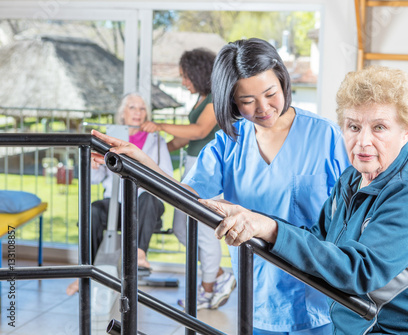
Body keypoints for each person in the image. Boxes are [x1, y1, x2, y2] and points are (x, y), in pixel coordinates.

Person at [91, 37, 350, 334]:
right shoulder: (230, 141)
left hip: (317, 297)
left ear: (282, 81)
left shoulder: (327, 137)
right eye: (247, 101)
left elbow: (350, 217)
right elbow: (185, 196)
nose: (263, 108)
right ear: (232, 101)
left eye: (270, 93)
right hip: (258, 298)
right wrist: (139, 160)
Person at [201, 66, 408, 334]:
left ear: (406, 131)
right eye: (353, 126)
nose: (363, 141)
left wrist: (270, 229)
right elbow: (320, 238)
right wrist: (258, 222)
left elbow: (360, 271)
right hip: (364, 325)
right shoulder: (352, 179)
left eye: (379, 127)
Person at [140, 48, 231, 310]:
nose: (183, 82)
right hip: (192, 168)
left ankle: (207, 289)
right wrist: (153, 150)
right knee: (181, 228)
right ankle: (221, 277)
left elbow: (200, 130)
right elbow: (185, 138)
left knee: (203, 230)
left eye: (185, 76)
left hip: (209, 172)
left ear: (198, 72)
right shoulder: (203, 97)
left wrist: (159, 125)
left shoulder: (217, 96)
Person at [66, 93, 174, 296]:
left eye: (142, 109)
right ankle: (86, 272)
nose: (138, 112)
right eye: (132, 107)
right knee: (94, 211)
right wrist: (93, 164)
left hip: (144, 204)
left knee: (148, 198)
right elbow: (94, 179)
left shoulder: (155, 140)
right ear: (122, 113)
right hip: (115, 202)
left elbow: (166, 176)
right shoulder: (111, 137)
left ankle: (139, 255)